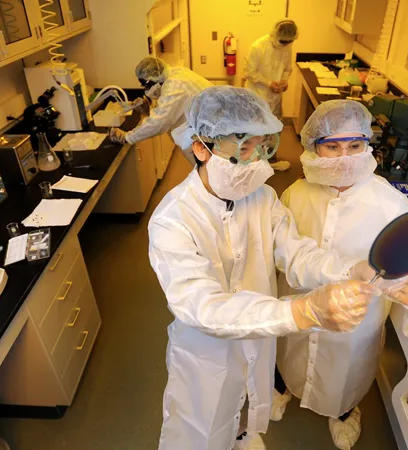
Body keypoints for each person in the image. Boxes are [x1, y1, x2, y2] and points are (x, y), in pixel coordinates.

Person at [150, 86, 385, 450]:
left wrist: (350, 270)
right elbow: (200, 305)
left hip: (260, 338)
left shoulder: (261, 196)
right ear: (201, 147)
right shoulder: (173, 219)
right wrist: (302, 310)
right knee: (202, 431)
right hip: (206, 352)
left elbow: (295, 252)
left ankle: (244, 438)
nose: (256, 163)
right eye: (243, 150)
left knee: (250, 410)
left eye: (261, 148)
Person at [272, 100, 408, 450]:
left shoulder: (389, 204)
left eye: (354, 146)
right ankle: (283, 387)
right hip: (301, 305)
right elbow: (282, 252)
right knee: (288, 354)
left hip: (356, 322)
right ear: (313, 146)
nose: (344, 157)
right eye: (332, 146)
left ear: (368, 144)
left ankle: (345, 411)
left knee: (345, 375)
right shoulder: (295, 194)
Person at [108, 56, 211, 165]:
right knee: (211, 172)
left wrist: (127, 137)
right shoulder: (176, 73)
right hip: (207, 128)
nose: (147, 90)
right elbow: (169, 108)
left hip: (209, 135)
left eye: (146, 85)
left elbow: (158, 123)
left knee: (211, 174)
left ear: (153, 78)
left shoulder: (174, 85)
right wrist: (148, 110)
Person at [244, 20, 298, 120]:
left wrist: (284, 80)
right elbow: (249, 72)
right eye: (282, 42)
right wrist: (268, 83)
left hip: (276, 97)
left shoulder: (288, 46)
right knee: (257, 129)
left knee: (275, 128)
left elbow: (287, 68)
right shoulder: (258, 47)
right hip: (257, 95)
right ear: (274, 34)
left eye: (288, 42)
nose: (285, 45)